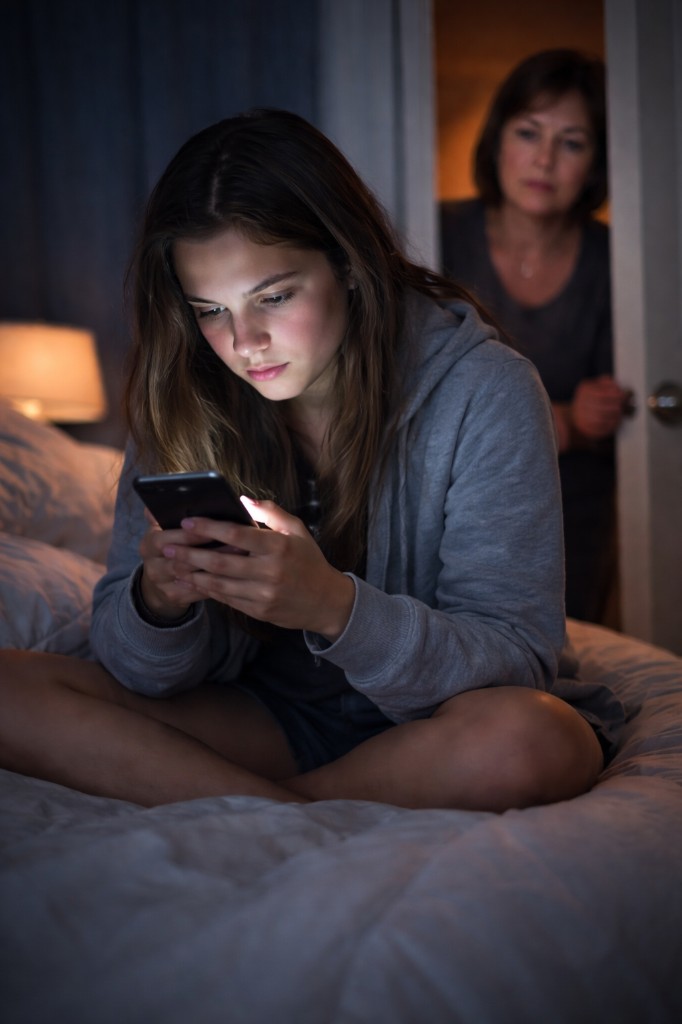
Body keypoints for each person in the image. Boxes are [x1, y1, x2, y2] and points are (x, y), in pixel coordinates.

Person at [0, 108, 624, 811]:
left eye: (274, 297)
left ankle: (258, 806)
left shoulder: (487, 390)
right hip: (266, 719)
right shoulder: (185, 393)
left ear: (350, 265)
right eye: (210, 309)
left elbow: (519, 658)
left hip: (433, 724)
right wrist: (160, 602)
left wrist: (334, 608)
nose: (245, 342)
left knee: (539, 739)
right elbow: (137, 667)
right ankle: (285, 808)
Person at [440, 49, 630, 624]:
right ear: (497, 140)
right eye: (528, 133)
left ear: (596, 162)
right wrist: (565, 420)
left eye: (571, 142)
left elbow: (635, 406)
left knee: (565, 654)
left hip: (576, 507)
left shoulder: (615, 259)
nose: (544, 160)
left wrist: (590, 419)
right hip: (456, 495)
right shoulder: (435, 233)